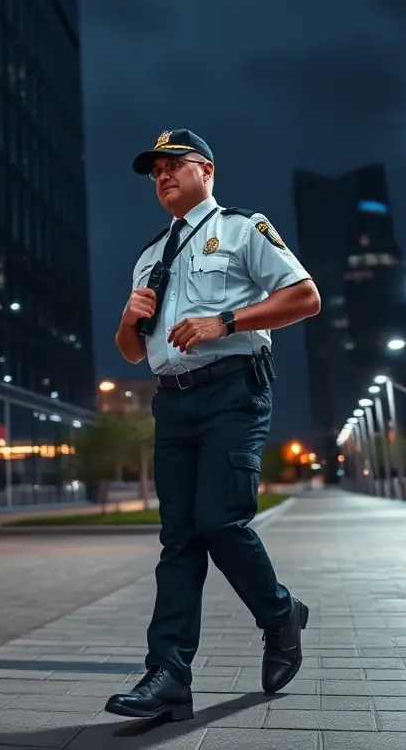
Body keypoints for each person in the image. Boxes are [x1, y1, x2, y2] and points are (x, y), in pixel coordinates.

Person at [104, 129, 321, 722]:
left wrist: (224, 321)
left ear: (206, 170)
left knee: (219, 521)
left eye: (173, 165)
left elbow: (305, 297)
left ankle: (280, 617)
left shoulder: (244, 228)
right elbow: (129, 351)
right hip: (172, 400)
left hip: (233, 390)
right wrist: (128, 319)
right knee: (178, 539)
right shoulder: (149, 256)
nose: (162, 177)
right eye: (154, 172)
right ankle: (168, 675)